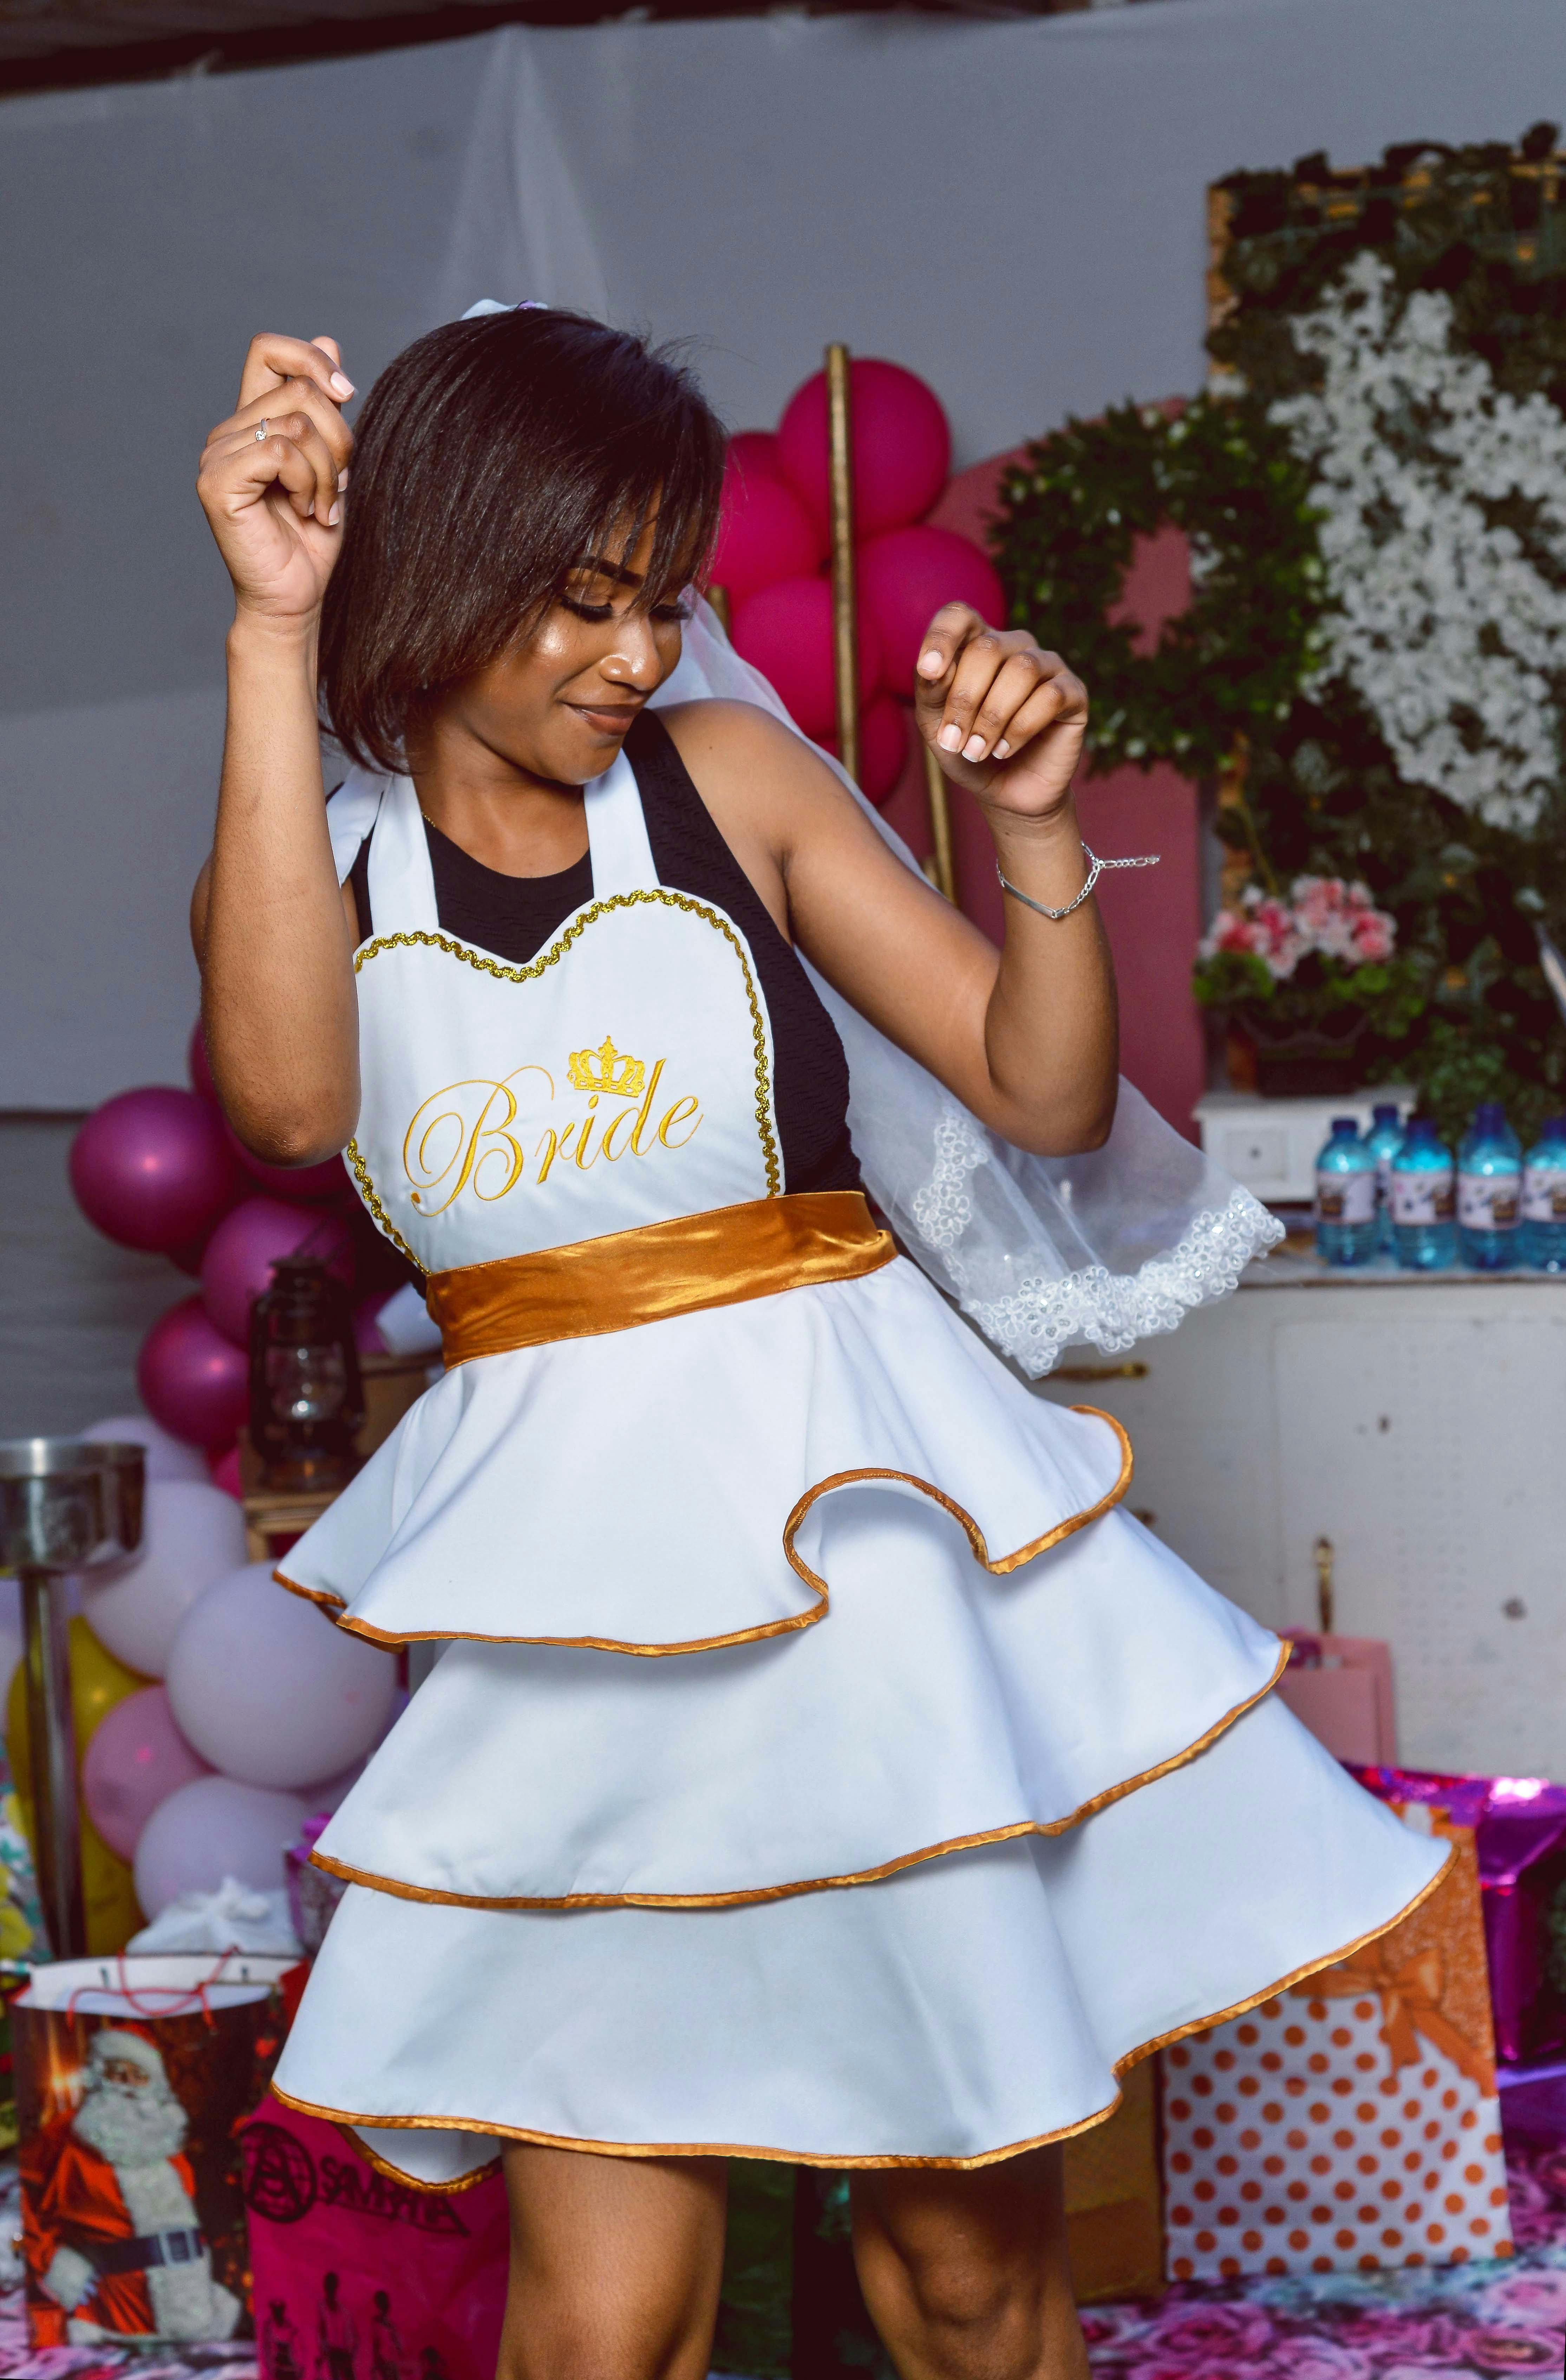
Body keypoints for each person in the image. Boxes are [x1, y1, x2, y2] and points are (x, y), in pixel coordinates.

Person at [194, 308, 1447, 2380]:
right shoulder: (316, 859)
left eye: (660, 602)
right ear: (431, 566)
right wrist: (264, 634)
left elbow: (1037, 1100)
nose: (630, 655)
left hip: (864, 1570)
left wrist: (1035, 825)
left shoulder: (729, 781)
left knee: (961, 2276)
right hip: (581, 1623)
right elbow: (283, 1108)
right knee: (608, 2319)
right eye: (575, 602)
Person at [23, 2026, 240, 2345]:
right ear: (99, 2077)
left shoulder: (168, 2143)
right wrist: (51, 2259)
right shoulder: (65, 2135)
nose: (126, 2084)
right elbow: (16, 2203)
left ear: (155, 2085)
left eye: (138, 2075)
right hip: (112, 2309)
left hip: (192, 2305)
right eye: (116, 2072)